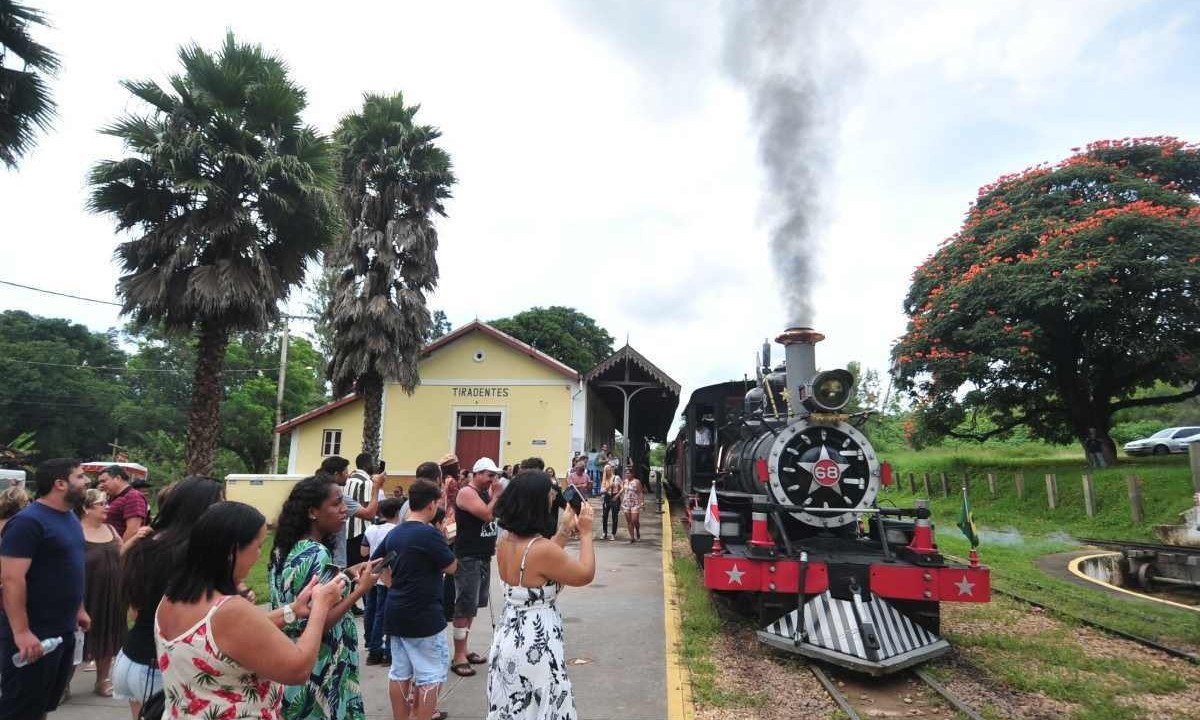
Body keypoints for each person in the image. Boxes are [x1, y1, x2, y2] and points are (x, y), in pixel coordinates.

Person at [156, 501, 345, 720]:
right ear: (232, 551)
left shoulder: (171, 599)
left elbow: (225, 637)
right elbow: (298, 669)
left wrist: (292, 610)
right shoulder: (230, 611)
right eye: (257, 547)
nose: (258, 556)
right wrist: (321, 606)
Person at [270, 475, 381, 720]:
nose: (344, 510)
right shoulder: (317, 553)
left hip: (292, 658)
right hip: (320, 668)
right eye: (336, 504)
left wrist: (349, 575)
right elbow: (319, 620)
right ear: (312, 512)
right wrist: (360, 591)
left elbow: (315, 593)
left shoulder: (286, 547)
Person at [486, 471, 595, 719]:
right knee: (542, 704)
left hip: (509, 634)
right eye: (549, 495)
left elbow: (540, 561)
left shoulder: (505, 541)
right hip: (536, 642)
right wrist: (586, 533)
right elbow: (584, 574)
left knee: (515, 705)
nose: (552, 500)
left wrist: (565, 530)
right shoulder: (541, 549)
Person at [115, 475, 224, 719]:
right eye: (219, 503)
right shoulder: (193, 555)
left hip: (133, 658)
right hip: (158, 667)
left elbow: (134, 609)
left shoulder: (149, 544)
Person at [0, 458, 89, 720]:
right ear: (60, 484)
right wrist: (22, 631)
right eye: (80, 477)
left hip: (62, 630)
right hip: (33, 634)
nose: (87, 482)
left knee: (42, 705)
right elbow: (11, 580)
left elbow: (71, 566)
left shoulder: (70, 517)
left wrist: (79, 607)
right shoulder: (28, 522)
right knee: (20, 707)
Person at [375, 480, 458, 720]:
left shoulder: (396, 531)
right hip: (424, 613)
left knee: (399, 671)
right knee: (431, 674)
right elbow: (451, 567)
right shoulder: (429, 534)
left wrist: (393, 584)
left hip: (397, 608)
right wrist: (445, 540)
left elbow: (376, 564)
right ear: (432, 505)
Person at [450, 457, 504, 677]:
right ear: (478, 473)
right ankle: (458, 655)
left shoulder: (484, 493)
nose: (493, 479)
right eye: (490, 475)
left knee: (473, 605)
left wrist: (495, 496)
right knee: (464, 605)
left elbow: (495, 513)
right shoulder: (466, 493)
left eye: (495, 476)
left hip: (482, 555)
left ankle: (465, 647)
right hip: (468, 556)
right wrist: (497, 496)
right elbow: (487, 514)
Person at [78, 489, 125, 697]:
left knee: (108, 633)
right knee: (79, 638)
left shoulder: (112, 530)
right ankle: (64, 684)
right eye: (101, 504)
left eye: (107, 502)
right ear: (86, 508)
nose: (107, 506)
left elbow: (122, 554)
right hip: (86, 593)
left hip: (111, 594)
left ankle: (102, 680)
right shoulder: (76, 531)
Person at [316, 456, 384, 568]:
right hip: (336, 557)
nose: (348, 474)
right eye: (346, 471)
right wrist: (376, 487)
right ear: (337, 474)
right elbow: (369, 514)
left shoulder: (316, 490)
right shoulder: (341, 495)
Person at [361, 497, 403, 666]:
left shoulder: (371, 529)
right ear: (398, 513)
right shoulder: (398, 530)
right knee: (390, 615)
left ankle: (373, 649)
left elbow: (363, 552)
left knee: (373, 612)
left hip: (373, 576)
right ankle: (388, 652)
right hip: (391, 577)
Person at [98, 464, 148, 544]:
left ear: (118, 478)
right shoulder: (112, 497)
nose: (101, 485)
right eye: (100, 482)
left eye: (104, 481)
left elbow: (133, 531)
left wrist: (121, 552)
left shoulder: (133, 497)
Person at [621, 467, 644, 543]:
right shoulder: (625, 481)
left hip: (635, 503)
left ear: (633, 474)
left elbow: (640, 492)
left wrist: (642, 502)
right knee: (629, 521)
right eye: (626, 473)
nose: (627, 474)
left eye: (629, 473)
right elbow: (623, 491)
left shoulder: (637, 482)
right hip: (626, 503)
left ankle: (637, 531)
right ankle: (632, 537)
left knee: (635, 520)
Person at [600, 465, 622, 541]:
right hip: (607, 497)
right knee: (604, 516)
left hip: (615, 496)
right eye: (606, 470)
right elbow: (602, 491)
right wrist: (609, 486)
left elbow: (622, 487)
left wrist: (618, 495)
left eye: (609, 469)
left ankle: (613, 534)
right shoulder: (604, 479)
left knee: (614, 516)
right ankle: (604, 532)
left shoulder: (617, 477)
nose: (608, 471)